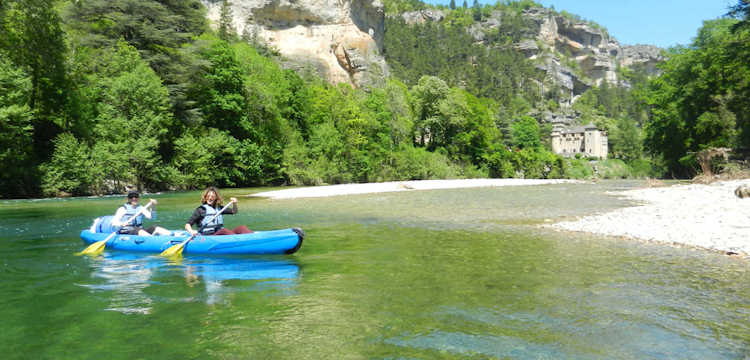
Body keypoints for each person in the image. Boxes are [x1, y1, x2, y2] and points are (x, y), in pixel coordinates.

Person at [185, 187, 252, 236]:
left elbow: (234, 211)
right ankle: (239, 242)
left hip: (219, 234)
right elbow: (187, 224)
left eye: (212, 196)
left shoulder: (219, 208)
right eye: (208, 196)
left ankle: (253, 239)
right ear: (205, 197)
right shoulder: (200, 210)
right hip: (208, 236)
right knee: (224, 231)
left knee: (241, 228)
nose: (210, 198)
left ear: (216, 198)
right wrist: (191, 231)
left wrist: (234, 203)